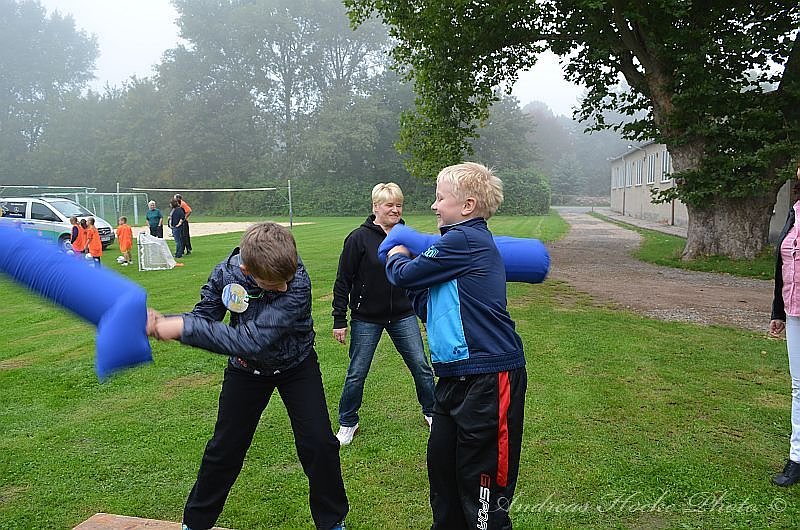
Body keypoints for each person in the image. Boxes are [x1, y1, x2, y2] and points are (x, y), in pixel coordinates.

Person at [146, 222, 348, 530]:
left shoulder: (297, 280)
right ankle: (195, 523)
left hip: (297, 366)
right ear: (246, 269)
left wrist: (179, 327)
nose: (283, 287)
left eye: (286, 279)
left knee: (320, 445)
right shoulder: (226, 274)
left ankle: (332, 523)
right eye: (273, 283)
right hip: (246, 370)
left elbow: (249, 339)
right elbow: (205, 318)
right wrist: (168, 323)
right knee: (224, 449)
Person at [385, 162, 527, 529]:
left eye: (439, 198)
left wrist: (397, 251)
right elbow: (426, 305)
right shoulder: (455, 248)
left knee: (481, 492)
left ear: (466, 206)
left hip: (488, 377)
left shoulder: (465, 240)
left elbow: (403, 275)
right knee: (443, 477)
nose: (433, 206)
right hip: (452, 379)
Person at [331, 183, 435, 446]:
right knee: (357, 371)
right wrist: (339, 319)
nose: (395, 209)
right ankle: (348, 422)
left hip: (403, 314)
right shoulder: (358, 238)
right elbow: (343, 279)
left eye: (399, 204)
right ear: (376, 206)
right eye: (389, 205)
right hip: (366, 317)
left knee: (421, 367)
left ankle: (433, 413)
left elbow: (420, 274)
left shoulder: (407, 237)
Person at [770, 164, 800, 487]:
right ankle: (796, 459)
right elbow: (782, 263)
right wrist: (777, 311)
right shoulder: (794, 213)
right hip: (794, 312)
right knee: (798, 387)